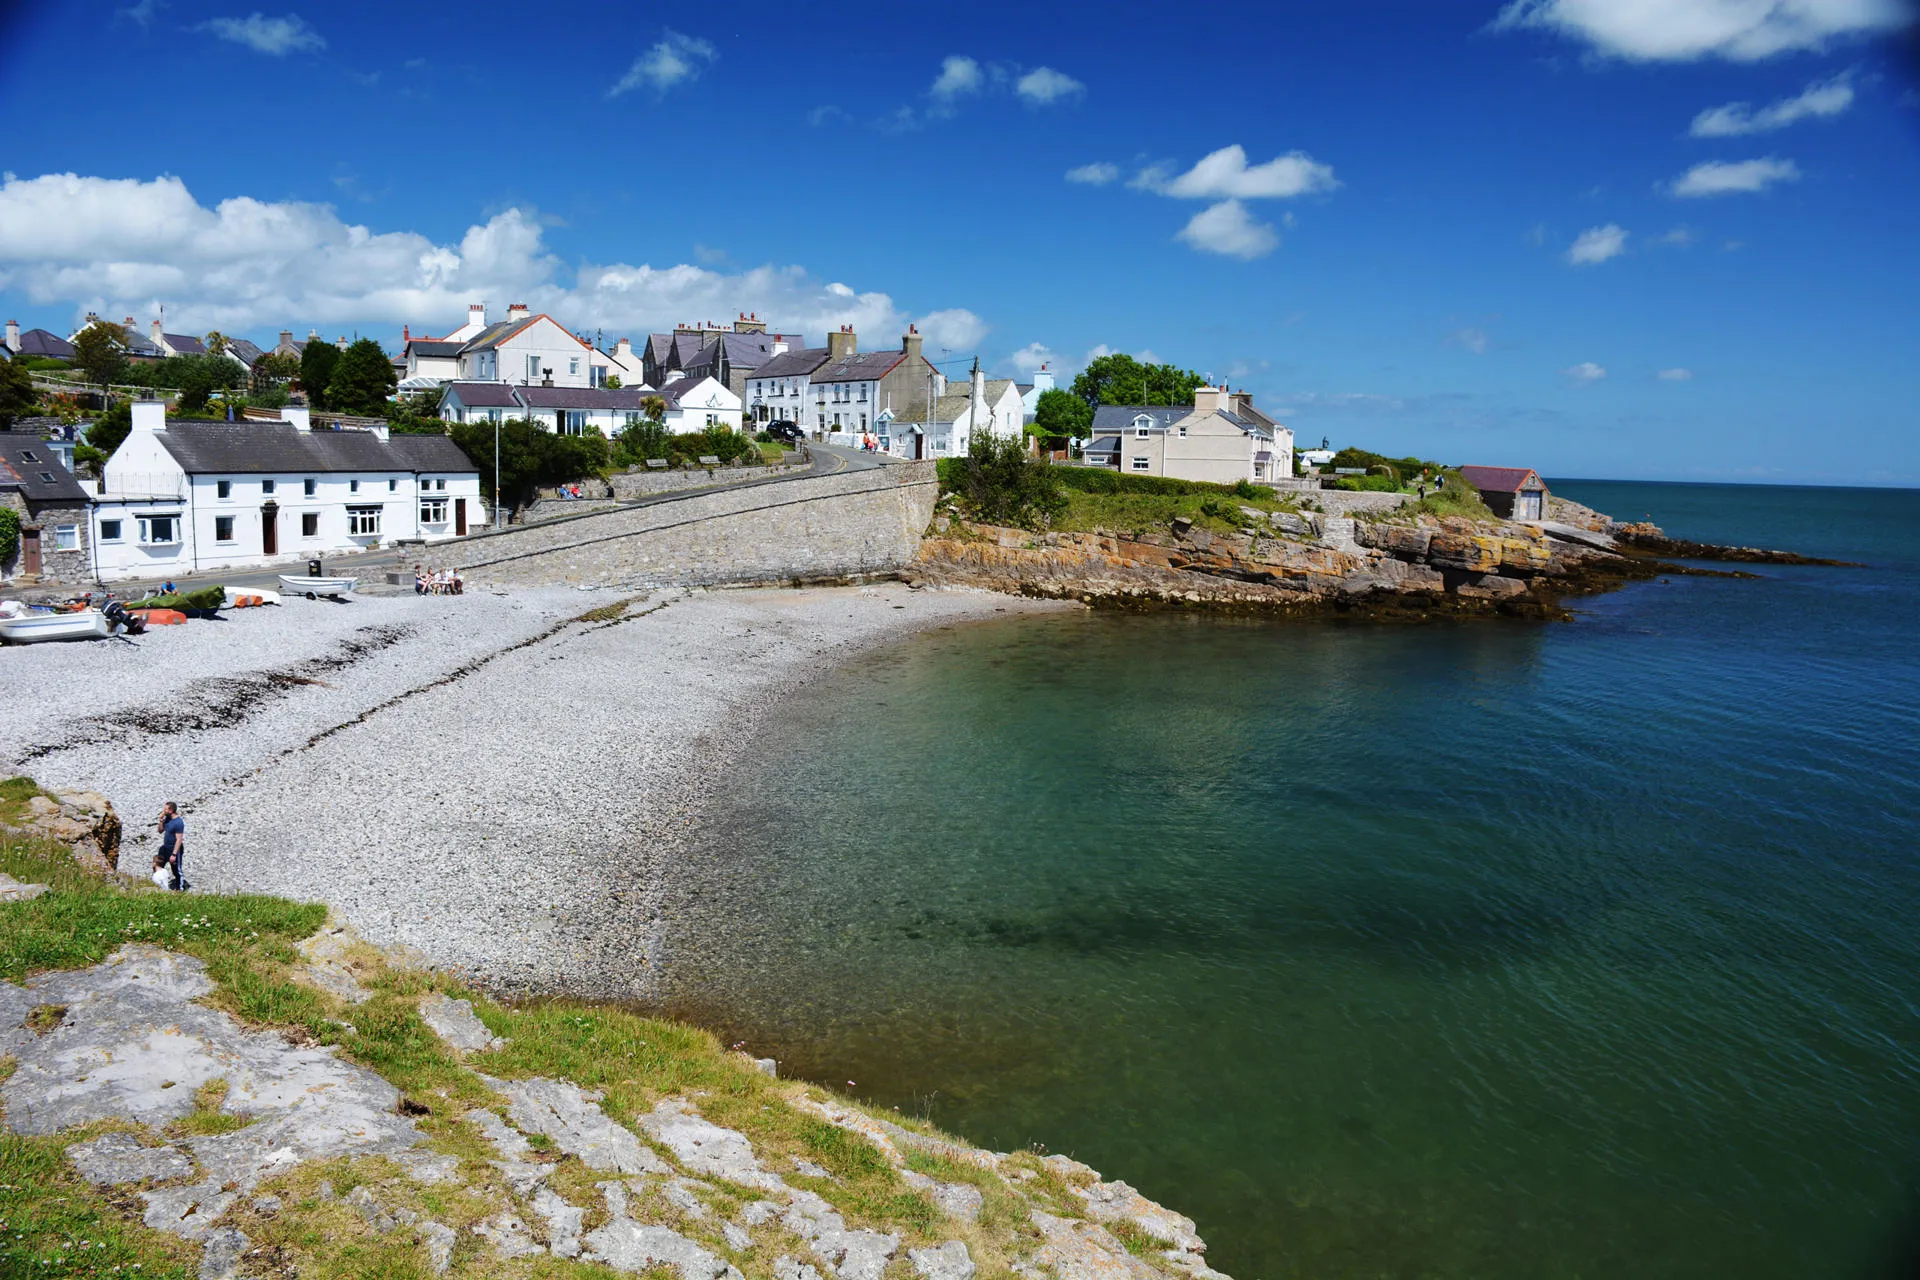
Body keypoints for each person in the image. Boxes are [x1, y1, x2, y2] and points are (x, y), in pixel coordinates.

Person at [157, 801, 187, 891]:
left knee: (176, 870)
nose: (163, 810)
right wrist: (161, 821)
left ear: (170, 810)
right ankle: (159, 883)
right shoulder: (167, 818)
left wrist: (174, 854)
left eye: (165, 809)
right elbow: (160, 830)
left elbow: (179, 839)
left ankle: (179, 889)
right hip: (165, 847)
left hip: (174, 849)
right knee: (159, 865)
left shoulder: (178, 822)